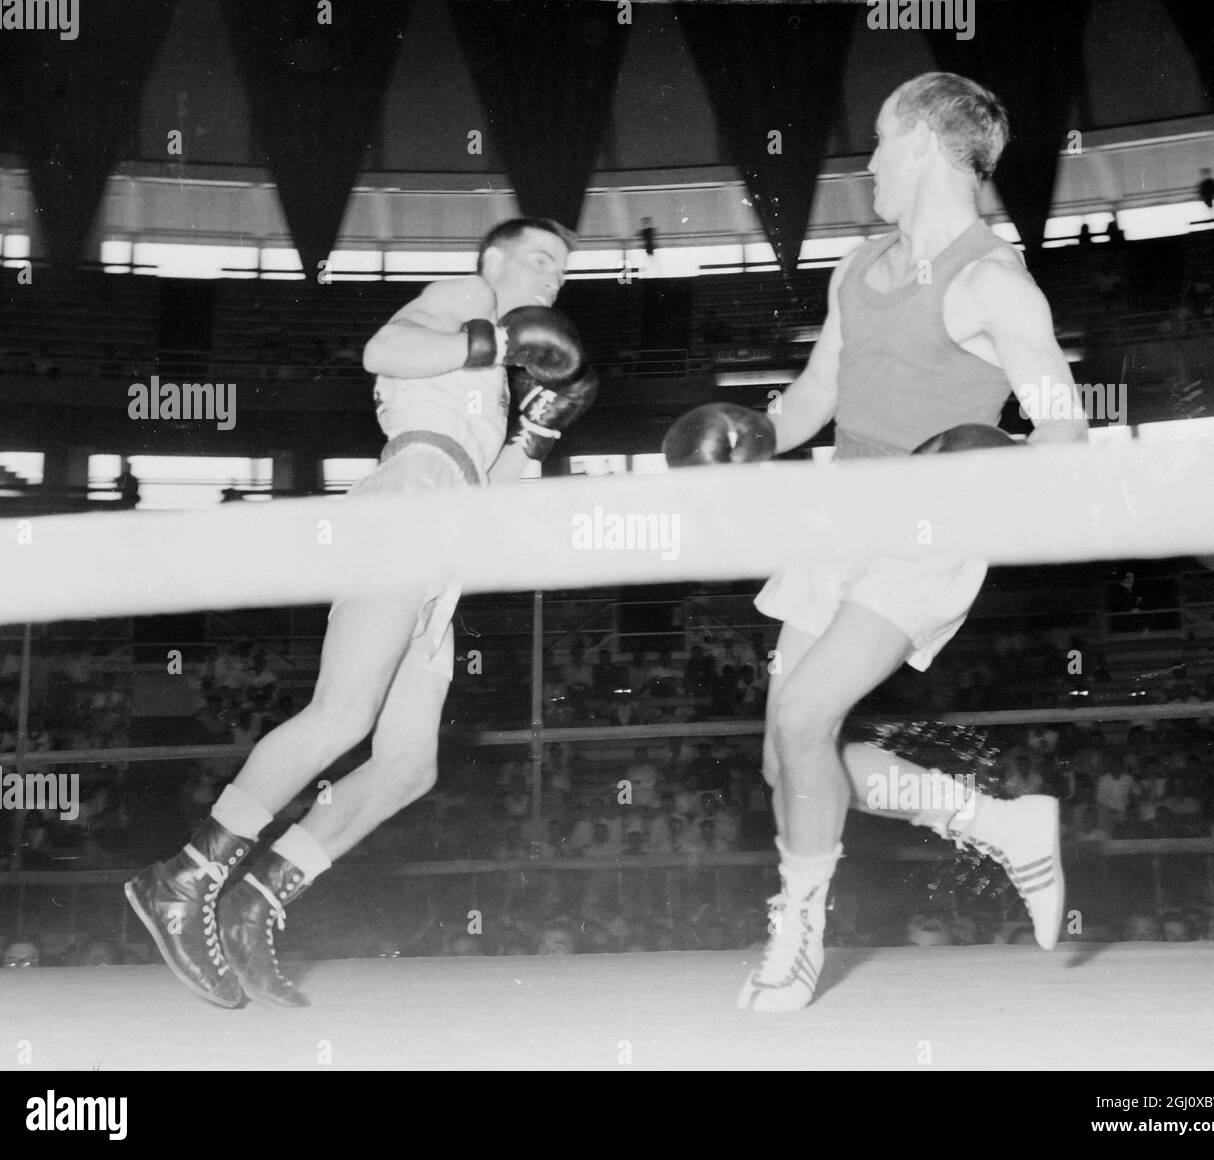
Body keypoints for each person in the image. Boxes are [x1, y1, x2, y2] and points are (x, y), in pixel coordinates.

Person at [664, 73, 1087, 1011]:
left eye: (881, 143)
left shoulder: (992, 282)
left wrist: (995, 467)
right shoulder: (858, 267)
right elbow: (819, 393)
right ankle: (999, 824)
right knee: (788, 755)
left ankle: (801, 930)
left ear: (929, 148)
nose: (867, 163)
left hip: (926, 532)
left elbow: (1064, 427)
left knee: (809, 716)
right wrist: (753, 434)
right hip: (837, 518)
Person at [126, 218, 596, 1009]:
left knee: (409, 765)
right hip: (406, 507)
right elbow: (381, 352)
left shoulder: (495, 360)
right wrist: (487, 345)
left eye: (562, 271)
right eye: (541, 260)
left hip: (447, 536)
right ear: (493, 259)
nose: (553, 280)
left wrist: (538, 433)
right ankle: (185, 878)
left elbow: (492, 496)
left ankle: (258, 898)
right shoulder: (465, 297)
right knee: (342, 714)